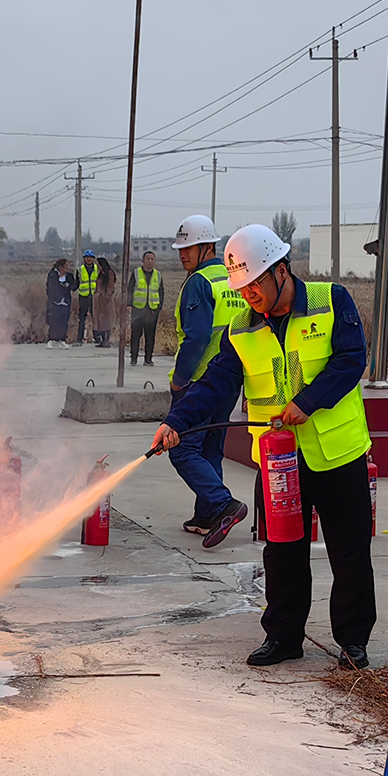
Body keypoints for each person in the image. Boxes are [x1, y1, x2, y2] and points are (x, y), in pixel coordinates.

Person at [152, 224, 376, 669]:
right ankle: (284, 637)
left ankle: (352, 642)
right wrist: (175, 420)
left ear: (281, 270)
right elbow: (217, 382)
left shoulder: (332, 302)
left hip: (336, 454)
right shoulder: (242, 328)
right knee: (281, 552)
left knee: (348, 552)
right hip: (277, 463)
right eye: (243, 286)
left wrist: (307, 403)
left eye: (256, 283)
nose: (250, 293)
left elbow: (352, 360)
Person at [165, 215, 248, 542]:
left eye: (190, 247)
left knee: (181, 449)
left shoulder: (198, 282)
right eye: (181, 248)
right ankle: (206, 515)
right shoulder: (234, 280)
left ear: (208, 247)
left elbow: (197, 338)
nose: (183, 254)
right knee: (211, 448)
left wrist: (180, 380)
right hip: (229, 380)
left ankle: (223, 504)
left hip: (200, 382)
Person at [129, 251, 163, 366]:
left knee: (150, 336)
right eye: (148, 259)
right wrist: (129, 304)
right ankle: (133, 358)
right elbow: (130, 290)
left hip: (152, 310)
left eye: (152, 259)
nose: (150, 261)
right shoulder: (136, 273)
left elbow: (161, 292)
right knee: (136, 335)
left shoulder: (158, 275)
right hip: (138, 309)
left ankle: (148, 359)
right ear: (143, 260)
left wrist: (159, 307)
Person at [44, 258, 72, 348]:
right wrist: (55, 298)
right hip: (55, 302)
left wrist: (68, 285)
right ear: (60, 267)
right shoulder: (52, 275)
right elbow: (50, 288)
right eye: (66, 266)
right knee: (54, 321)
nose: (67, 268)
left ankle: (62, 339)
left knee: (64, 321)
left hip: (66, 302)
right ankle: (52, 340)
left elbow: (74, 285)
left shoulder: (69, 276)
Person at [91, 256, 118, 347]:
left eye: (98, 265)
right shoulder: (100, 274)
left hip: (105, 300)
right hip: (98, 299)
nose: (97, 266)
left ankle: (106, 340)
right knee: (100, 320)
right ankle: (102, 340)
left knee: (107, 320)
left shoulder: (109, 273)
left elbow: (110, 287)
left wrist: (106, 297)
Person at [75, 249, 98, 344]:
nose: (89, 259)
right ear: (84, 259)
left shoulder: (97, 269)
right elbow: (77, 282)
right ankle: (79, 338)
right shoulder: (80, 269)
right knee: (82, 318)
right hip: (83, 296)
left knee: (96, 318)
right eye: (87, 257)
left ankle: (97, 338)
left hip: (94, 296)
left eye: (91, 257)